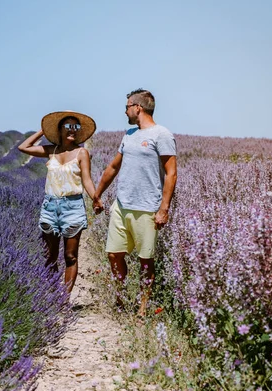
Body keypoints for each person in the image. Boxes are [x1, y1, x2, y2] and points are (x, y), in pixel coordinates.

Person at [93, 89, 177, 317]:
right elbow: (113, 167)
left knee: (145, 261)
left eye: (127, 106)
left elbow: (171, 173)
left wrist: (164, 209)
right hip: (122, 205)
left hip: (147, 208)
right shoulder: (129, 135)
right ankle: (121, 299)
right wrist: (97, 194)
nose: (125, 110)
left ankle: (142, 309)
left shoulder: (162, 135)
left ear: (137, 107)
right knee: (113, 254)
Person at [18, 111, 101, 292]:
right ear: (60, 129)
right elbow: (23, 147)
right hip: (50, 206)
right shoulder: (51, 151)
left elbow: (86, 179)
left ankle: (64, 299)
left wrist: (95, 198)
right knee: (50, 256)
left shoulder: (82, 152)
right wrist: (43, 131)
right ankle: (53, 295)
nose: (73, 130)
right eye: (68, 126)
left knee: (70, 256)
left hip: (72, 207)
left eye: (76, 127)